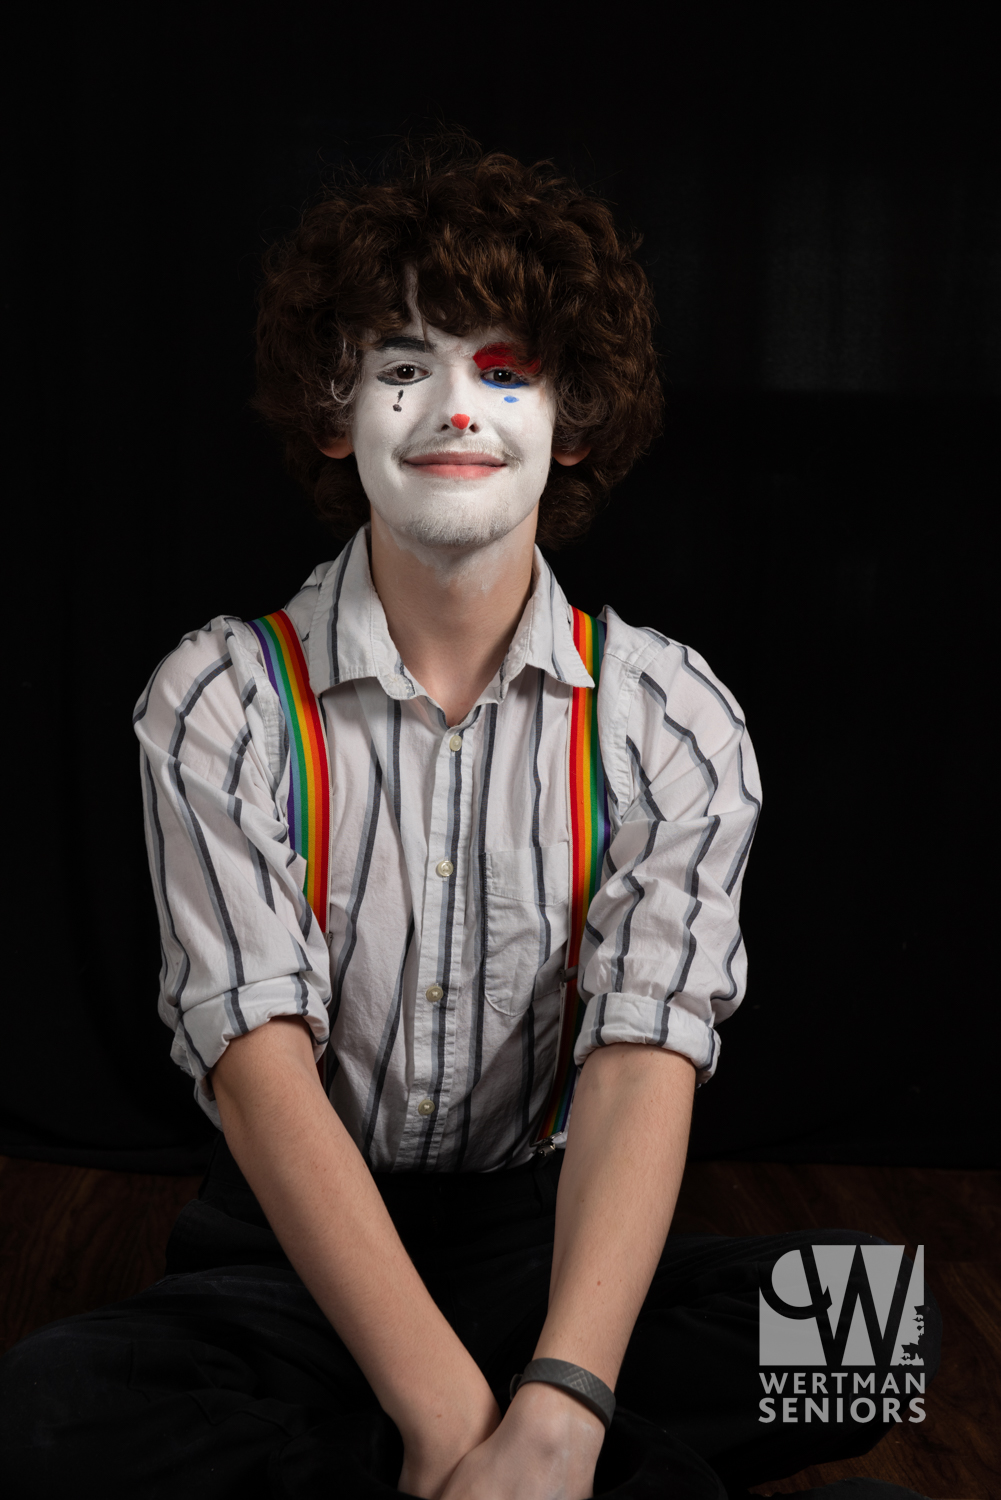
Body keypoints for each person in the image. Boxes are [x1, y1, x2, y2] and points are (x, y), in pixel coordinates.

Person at [0, 139, 936, 1500]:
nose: (455, 409)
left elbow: (640, 1068)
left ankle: (511, 1454)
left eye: (504, 370)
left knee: (878, 1337)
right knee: (37, 1419)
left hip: (547, 1248)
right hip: (295, 1255)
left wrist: (562, 1401)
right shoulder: (218, 700)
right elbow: (260, 1078)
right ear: (336, 416)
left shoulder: (671, 718)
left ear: (575, 420)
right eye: (403, 367)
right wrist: (448, 1417)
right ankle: (486, 1462)